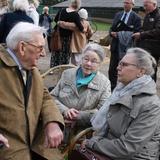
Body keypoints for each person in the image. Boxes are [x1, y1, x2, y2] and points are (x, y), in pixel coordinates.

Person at [0, 22, 64, 160]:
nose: (43, 53)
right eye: (40, 48)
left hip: (36, 145)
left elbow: (44, 97)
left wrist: (52, 121)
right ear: (22, 47)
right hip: (9, 150)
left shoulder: (31, 68)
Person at [81, 48, 160, 160]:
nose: (118, 67)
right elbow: (109, 115)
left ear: (141, 71)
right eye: (119, 63)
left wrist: (93, 143)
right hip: (111, 148)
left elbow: (128, 147)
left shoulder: (150, 105)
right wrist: (78, 116)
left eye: (124, 64)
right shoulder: (122, 90)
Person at [51, 43, 111, 143]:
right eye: (86, 59)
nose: (88, 63)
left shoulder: (104, 83)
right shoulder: (67, 74)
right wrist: (65, 111)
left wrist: (79, 116)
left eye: (94, 61)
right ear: (81, 59)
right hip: (58, 122)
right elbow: (52, 97)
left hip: (82, 132)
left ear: (100, 64)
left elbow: (103, 112)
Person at [108, 0, 141, 91]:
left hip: (127, 48)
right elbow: (111, 28)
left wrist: (123, 34)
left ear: (132, 5)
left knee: (126, 69)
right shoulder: (118, 14)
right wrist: (112, 33)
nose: (125, 4)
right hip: (115, 45)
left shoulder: (136, 18)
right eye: (124, 2)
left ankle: (126, 89)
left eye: (127, 3)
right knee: (112, 69)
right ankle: (112, 89)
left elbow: (137, 32)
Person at [50, 0, 83, 67]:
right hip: (67, 37)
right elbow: (81, 28)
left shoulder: (61, 10)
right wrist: (71, 25)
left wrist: (62, 23)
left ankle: (53, 67)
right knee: (65, 53)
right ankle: (63, 67)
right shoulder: (75, 14)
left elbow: (56, 20)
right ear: (78, 6)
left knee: (56, 51)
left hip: (57, 34)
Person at [132, 0, 160, 82]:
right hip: (145, 47)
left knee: (151, 70)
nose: (145, 8)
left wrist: (141, 35)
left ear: (154, 4)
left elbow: (158, 31)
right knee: (144, 69)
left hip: (154, 48)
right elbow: (144, 28)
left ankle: (150, 91)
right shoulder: (148, 15)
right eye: (144, 5)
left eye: (146, 5)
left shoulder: (158, 15)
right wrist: (139, 33)